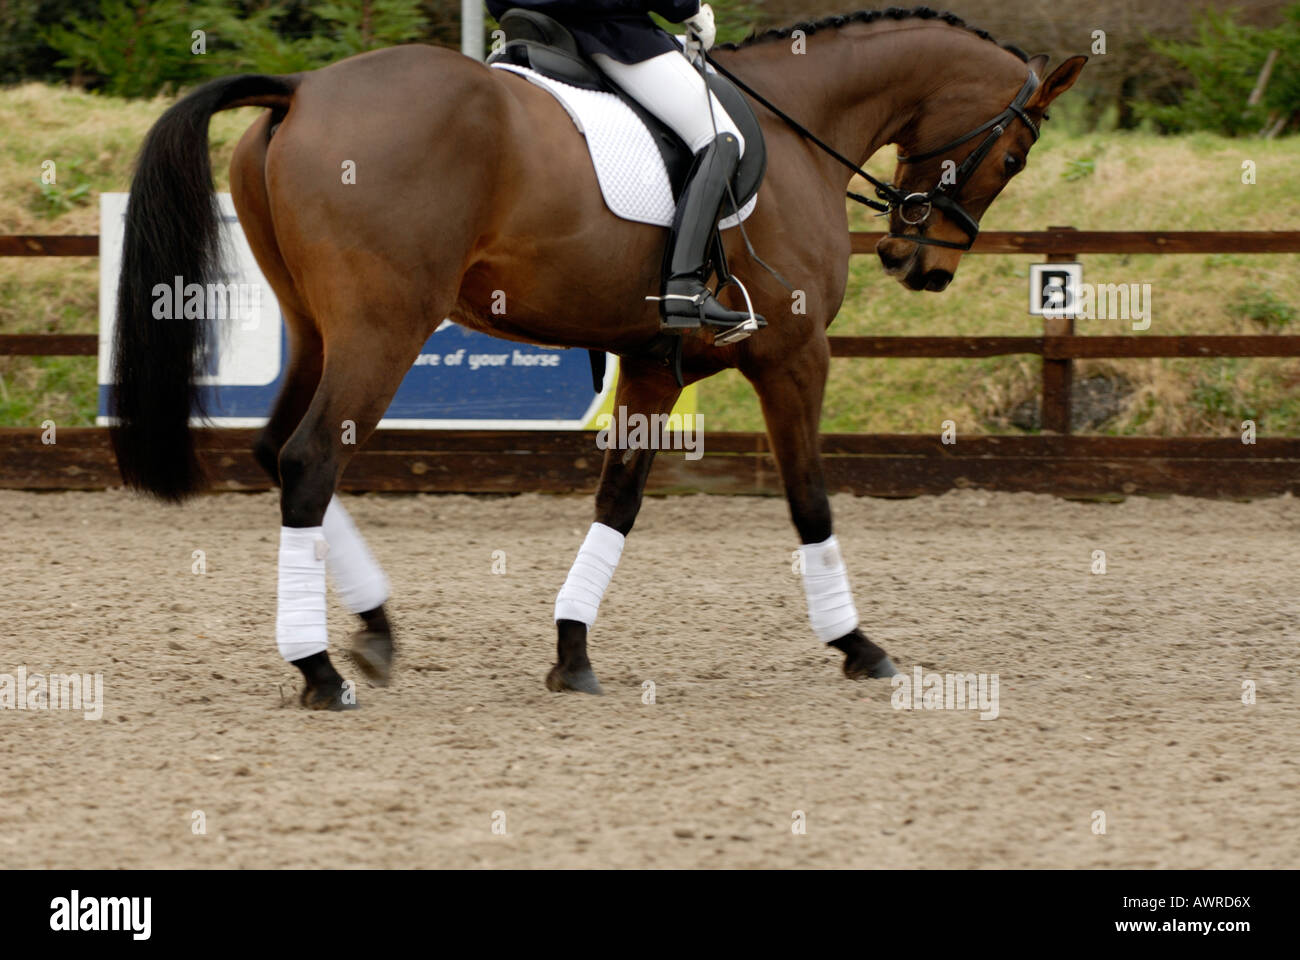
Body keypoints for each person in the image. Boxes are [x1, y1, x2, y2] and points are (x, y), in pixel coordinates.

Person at [486, 1, 762, 334]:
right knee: (722, 138)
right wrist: (688, 9)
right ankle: (684, 287)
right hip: (607, 34)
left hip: (524, 32)